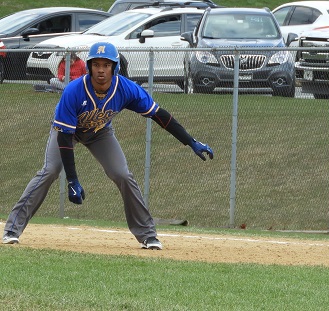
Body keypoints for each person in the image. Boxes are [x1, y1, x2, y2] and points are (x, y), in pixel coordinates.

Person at [3, 42, 214, 250]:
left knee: (122, 174)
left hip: (100, 133)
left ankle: (148, 235)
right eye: (96, 65)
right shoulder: (74, 91)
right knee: (50, 171)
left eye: (106, 64)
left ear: (115, 67)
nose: (101, 70)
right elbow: (65, 138)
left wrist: (190, 141)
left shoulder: (127, 89)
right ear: (89, 67)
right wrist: (72, 180)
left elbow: (160, 116)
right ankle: (12, 229)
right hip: (66, 133)